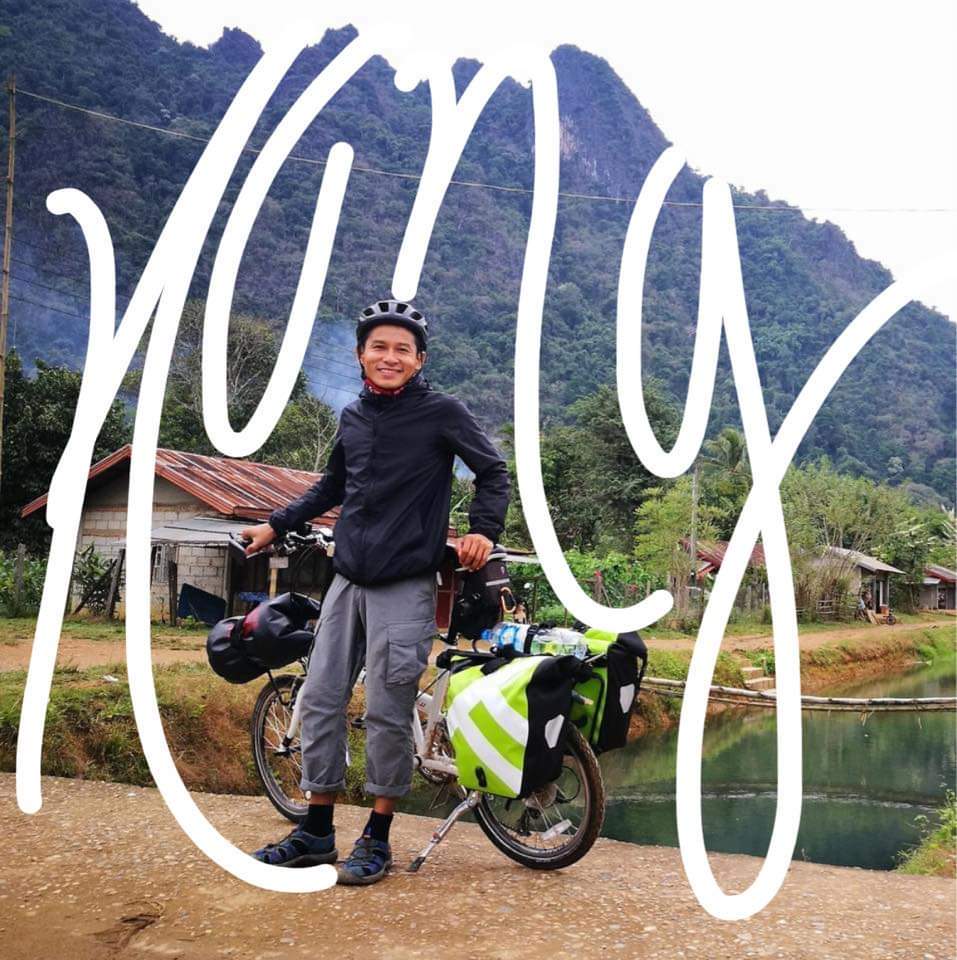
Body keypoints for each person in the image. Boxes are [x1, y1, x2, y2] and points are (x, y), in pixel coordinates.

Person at [242, 299, 509, 885]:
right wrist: (275, 525)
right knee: (319, 698)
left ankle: (377, 836)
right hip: (347, 579)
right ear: (361, 355)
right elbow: (331, 487)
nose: (390, 357)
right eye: (379, 347)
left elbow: (492, 471)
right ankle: (316, 830)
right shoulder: (354, 417)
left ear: (419, 360)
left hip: (405, 584)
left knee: (388, 710)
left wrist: (483, 531)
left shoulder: (442, 412)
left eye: (402, 349)